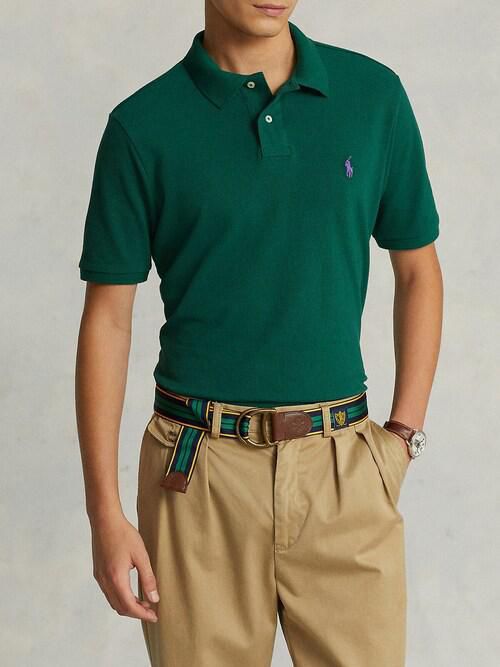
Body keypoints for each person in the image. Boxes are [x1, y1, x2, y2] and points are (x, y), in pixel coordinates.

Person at [75, 1, 443, 665]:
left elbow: (418, 270)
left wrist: (401, 438)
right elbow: (107, 318)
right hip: (197, 478)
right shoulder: (143, 126)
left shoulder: (373, 97)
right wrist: (104, 511)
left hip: (344, 471)